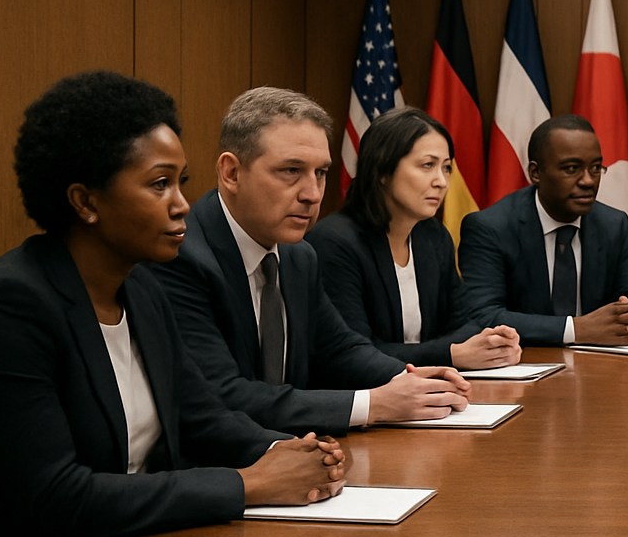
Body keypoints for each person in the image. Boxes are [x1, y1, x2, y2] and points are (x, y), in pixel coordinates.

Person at [0, 71, 346, 537]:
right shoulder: (13, 305)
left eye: (181, 182)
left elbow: (205, 417)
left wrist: (301, 453)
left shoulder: (143, 292)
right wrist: (249, 484)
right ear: (85, 201)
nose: (183, 203)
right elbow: (58, 497)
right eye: (159, 185)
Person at [151, 87, 470, 435]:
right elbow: (222, 394)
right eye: (291, 170)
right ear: (231, 173)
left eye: (320, 173)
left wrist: (407, 377)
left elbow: (338, 348)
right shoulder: (181, 257)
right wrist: (374, 404)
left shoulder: (298, 254)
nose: (313, 194)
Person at [307, 108, 521, 369]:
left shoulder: (432, 236)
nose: (441, 182)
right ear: (383, 171)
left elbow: (466, 323)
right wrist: (450, 354)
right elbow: (354, 353)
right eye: (427, 166)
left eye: (446, 168)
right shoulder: (335, 242)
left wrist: (491, 344)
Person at [460, 114, 628, 346]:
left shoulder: (612, 224)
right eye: (572, 169)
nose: (588, 181)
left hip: (599, 368)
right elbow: (482, 316)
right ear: (535, 173)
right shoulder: (491, 227)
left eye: (596, 168)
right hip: (523, 366)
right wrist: (576, 329)